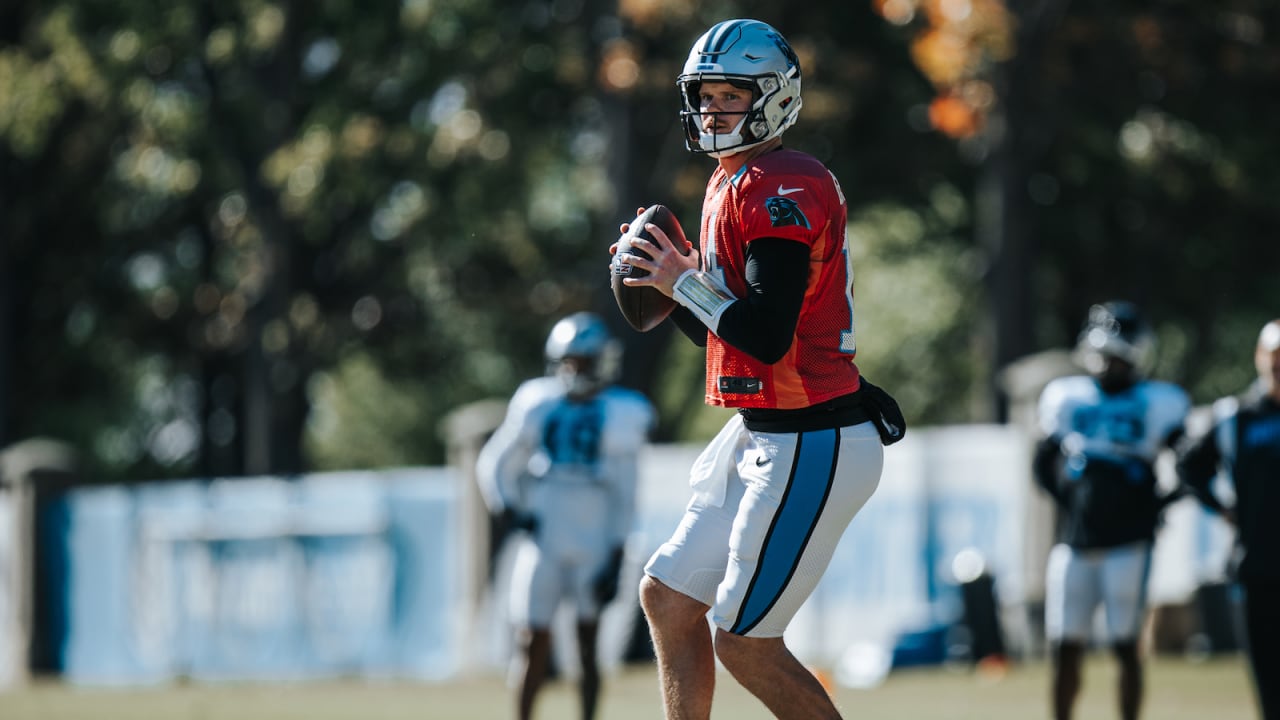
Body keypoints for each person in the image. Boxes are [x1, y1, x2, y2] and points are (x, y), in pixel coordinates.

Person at [609, 18, 905, 720]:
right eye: (704, 96)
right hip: (766, 430)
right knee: (669, 597)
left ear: (772, 98)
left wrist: (683, 281)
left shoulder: (784, 181)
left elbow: (768, 337)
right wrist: (664, 281)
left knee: (744, 641)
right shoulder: (728, 181)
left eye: (729, 95)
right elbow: (726, 336)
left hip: (813, 436)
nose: (712, 111)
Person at [476, 311, 656, 720]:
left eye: (586, 360)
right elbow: (495, 463)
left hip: (592, 536)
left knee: (588, 646)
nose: (579, 369)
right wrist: (508, 508)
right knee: (529, 639)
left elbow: (627, 492)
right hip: (546, 533)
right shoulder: (536, 401)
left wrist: (617, 551)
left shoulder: (623, 410)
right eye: (573, 360)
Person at [1031, 301, 1191, 720]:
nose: (1110, 363)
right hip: (1076, 542)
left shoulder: (1159, 400)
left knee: (1125, 644)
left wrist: (1159, 503)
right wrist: (1070, 502)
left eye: (1119, 355)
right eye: (1105, 354)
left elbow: (1189, 462)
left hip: (1128, 543)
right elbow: (1041, 461)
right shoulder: (1067, 396)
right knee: (1066, 646)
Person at [1176, 318, 1280, 720]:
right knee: (1269, 678)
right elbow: (1190, 464)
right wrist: (1220, 506)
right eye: (1272, 356)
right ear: (1259, 358)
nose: (1277, 365)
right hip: (1256, 567)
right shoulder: (1236, 417)